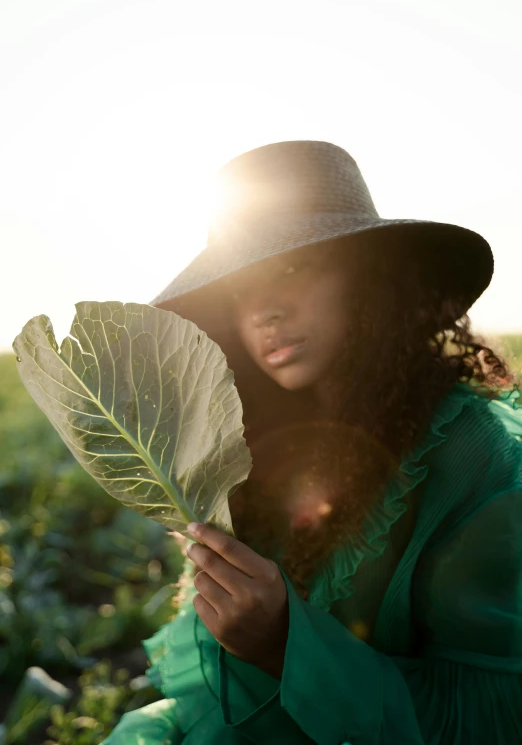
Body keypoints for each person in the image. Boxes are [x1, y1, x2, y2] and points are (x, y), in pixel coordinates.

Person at [102, 141, 522, 744]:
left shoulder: (475, 456)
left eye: (295, 268)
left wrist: (286, 646)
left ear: (373, 278)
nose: (266, 311)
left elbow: (489, 721)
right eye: (242, 289)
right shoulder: (256, 447)